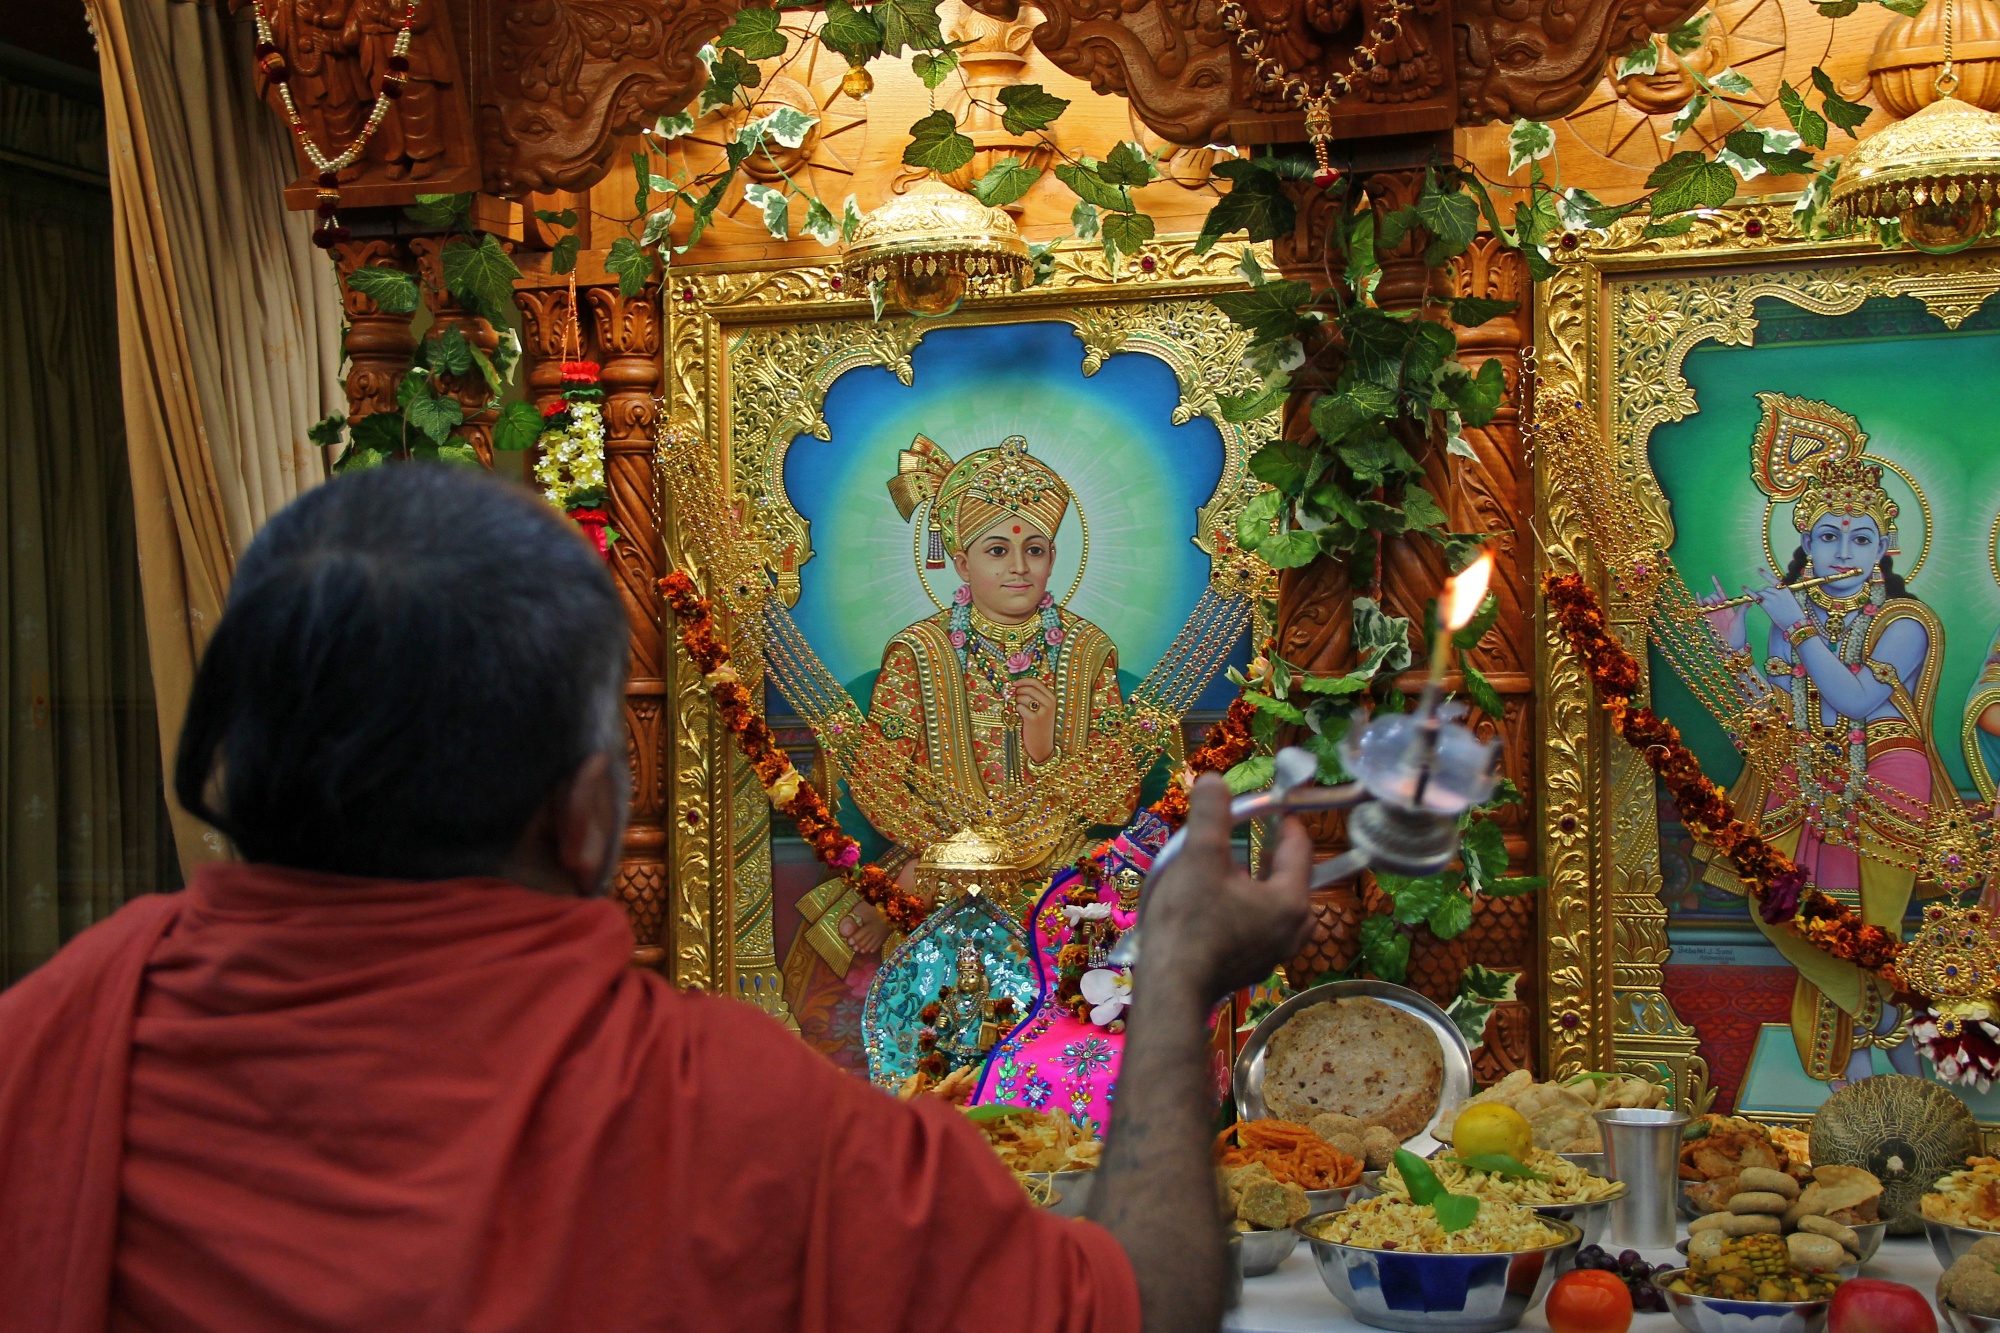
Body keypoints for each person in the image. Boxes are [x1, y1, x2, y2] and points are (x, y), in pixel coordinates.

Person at [0, 465, 1312, 1333]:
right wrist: (1175, 971)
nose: (1023, 563)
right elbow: (1142, 1298)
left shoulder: (41, 1048)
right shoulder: (741, 1114)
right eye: (997, 543)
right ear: (584, 819)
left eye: (1040, 543)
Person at [1699, 449, 1954, 1084]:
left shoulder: (1906, 620)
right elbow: (1776, 715)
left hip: (1888, 775)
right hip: (1814, 774)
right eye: (1829, 536)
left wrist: (1794, 627)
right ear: (1806, 544)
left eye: (1861, 537)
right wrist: (1734, 648)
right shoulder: (1796, 619)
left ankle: (1870, 1070)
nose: (1844, 552)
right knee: (1788, 907)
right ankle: (1892, 1019)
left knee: (1864, 923)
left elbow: (1859, 700)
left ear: (1885, 548)